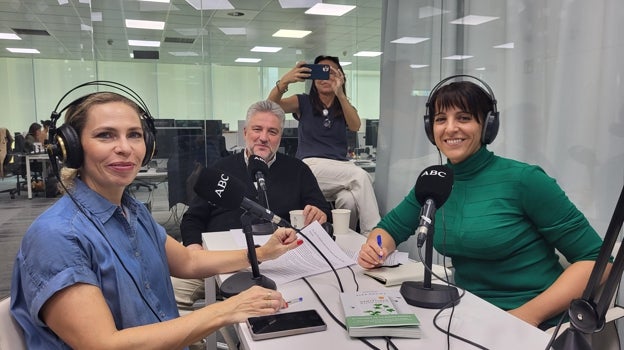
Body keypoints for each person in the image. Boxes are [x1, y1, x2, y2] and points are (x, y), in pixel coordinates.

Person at [10, 92, 301, 349]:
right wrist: (226, 311)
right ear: (71, 148)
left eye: (134, 135)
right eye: (105, 135)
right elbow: (104, 345)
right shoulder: (57, 237)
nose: (125, 147)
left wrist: (263, 253)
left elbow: (187, 262)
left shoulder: (131, 210)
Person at [357, 78, 611, 330]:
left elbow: (598, 261)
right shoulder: (435, 183)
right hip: (467, 314)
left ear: (487, 126)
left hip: (534, 324)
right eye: (441, 119)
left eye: (464, 118)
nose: (450, 128)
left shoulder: (524, 180)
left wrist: (528, 315)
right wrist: (376, 248)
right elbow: (389, 229)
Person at [175, 99, 331, 312]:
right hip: (222, 262)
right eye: (257, 129)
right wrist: (195, 249)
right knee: (171, 292)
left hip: (278, 265)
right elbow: (193, 218)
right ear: (246, 132)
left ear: (280, 137)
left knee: (302, 305)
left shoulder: (298, 170)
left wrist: (319, 213)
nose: (264, 138)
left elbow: (323, 210)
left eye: (272, 132)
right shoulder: (221, 169)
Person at [268, 55, 380, 234]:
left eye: (330, 73)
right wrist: (284, 82)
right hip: (311, 168)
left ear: (340, 77)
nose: (324, 77)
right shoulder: (303, 101)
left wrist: (340, 94)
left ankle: (344, 242)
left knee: (348, 200)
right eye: (319, 72)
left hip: (339, 170)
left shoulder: (343, 106)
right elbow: (270, 107)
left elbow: (355, 125)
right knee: (361, 177)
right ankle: (374, 235)